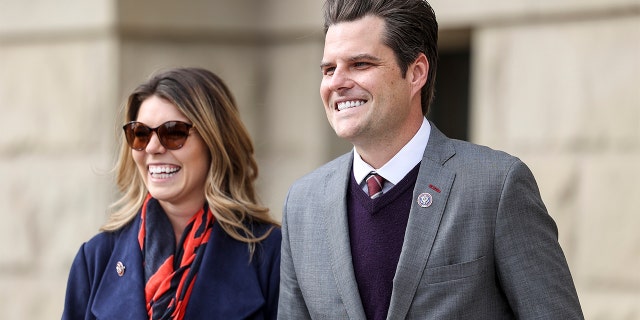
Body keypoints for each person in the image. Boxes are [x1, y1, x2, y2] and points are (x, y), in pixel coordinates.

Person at [278, 0, 584, 319]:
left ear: (416, 73)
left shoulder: (496, 187)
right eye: (329, 69)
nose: (337, 83)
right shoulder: (302, 205)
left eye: (360, 64)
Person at [63, 67, 281, 319]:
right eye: (140, 134)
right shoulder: (96, 258)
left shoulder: (269, 253)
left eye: (174, 132)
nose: (152, 147)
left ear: (215, 141)